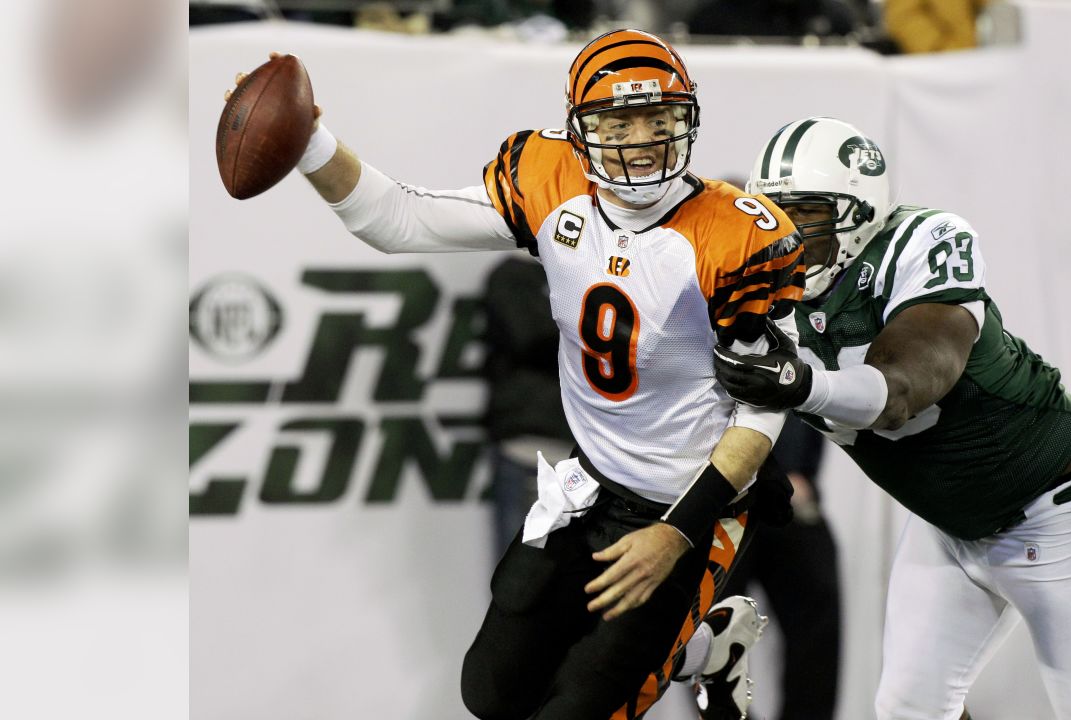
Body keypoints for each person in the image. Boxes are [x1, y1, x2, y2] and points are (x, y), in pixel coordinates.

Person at [223, 30, 806, 719]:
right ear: (580, 130)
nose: (642, 138)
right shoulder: (547, 180)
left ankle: (694, 642)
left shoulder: (741, 233)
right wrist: (310, 142)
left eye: (660, 117)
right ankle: (709, 648)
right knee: (491, 694)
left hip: (688, 508)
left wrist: (678, 531)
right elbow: (399, 219)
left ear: (688, 118)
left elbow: (763, 407)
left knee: (581, 709)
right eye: (619, 121)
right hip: (592, 484)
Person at [713, 117, 1071, 720]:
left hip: (1058, 509)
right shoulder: (761, 292)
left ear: (859, 212)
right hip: (949, 524)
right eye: (772, 214)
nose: (784, 233)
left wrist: (803, 385)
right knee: (909, 709)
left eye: (805, 213)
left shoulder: (923, 241)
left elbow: (907, 384)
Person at [720, 414, 842, 720]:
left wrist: (797, 470)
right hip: (718, 500)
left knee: (818, 623)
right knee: (710, 631)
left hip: (789, 493)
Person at [478, 254, 575, 566]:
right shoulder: (513, 276)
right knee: (518, 584)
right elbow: (531, 338)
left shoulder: (595, 269)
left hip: (593, 459)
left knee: (583, 587)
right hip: (530, 450)